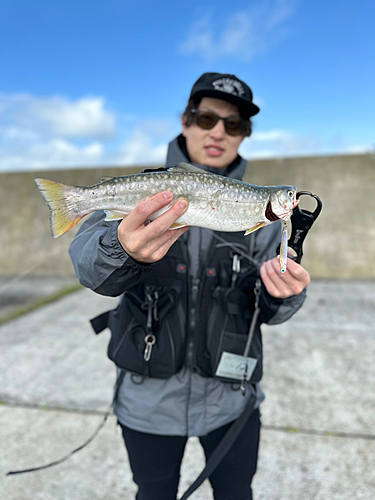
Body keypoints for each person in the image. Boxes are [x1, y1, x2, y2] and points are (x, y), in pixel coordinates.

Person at [69, 72, 310, 500]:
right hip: (147, 402)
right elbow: (89, 269)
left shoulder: (263, 215)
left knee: (236, 493)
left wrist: (285, 294)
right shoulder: (144, 190)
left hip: (233, 400)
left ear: (244, 135)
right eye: (206, 118)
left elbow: (276, 301)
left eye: (233, 125)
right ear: (186, 121)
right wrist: (121, 247)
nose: (218, 131)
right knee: (153, 493)